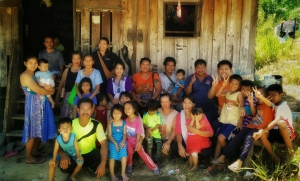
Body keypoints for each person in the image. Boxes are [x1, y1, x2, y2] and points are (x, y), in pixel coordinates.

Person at [213, 87, 275, 173]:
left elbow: (269, 104)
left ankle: (240, 161)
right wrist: (251, 102)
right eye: (256, 95)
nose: (257, 96)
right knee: (237, 138)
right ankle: (223, 157)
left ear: (267, 96)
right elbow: (253, 113)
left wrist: (261, 97)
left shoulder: (270, 105)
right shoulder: (258, 105)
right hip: (250, 126)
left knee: (248, 138)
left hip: (260, 129)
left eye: (260, 94)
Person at [59, 98, 108, 179]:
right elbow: (58, 143)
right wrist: (63, 155)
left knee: (101, 155)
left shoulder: (97, 124)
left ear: (92, 110)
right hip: (74, 156)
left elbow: (104, 143)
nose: (85, 112)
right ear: (78, 110)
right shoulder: (71, 124)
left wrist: (103, 164)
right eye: (82, 109)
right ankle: (73, 172)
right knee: (64, 167)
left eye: (88, 109)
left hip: (89, 155)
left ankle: (91, 169)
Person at [20, 56, 56, 164]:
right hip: (33, 106)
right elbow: (38, 90)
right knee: (32, 130)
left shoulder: (35, 75)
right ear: (25, 63)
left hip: (42, 104)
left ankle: (34, 151)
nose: (33, 65)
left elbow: (47, 88)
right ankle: (28, 157)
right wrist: (51, 92)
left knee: (38, 130)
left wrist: (50, 90)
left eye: (35, 62)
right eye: (30, 62)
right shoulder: (25, 75)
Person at [253, 84, 295, 165]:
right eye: (269, 95)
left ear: (281, 95)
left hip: (285, 133)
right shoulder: (273, 105)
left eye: (274, 95)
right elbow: (267, 104)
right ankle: (275, 158)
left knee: (281, 123)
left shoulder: (283, 106)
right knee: (263, 133)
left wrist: (263, 130)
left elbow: (276, 121)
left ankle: (290, 152)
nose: (271, 97)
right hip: (274, 132)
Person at [212, 74, 245, 164]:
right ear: (229, 83)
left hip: (233, 121)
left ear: (239, 86)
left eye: (236, 84)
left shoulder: (239, 94)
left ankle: (227, 157)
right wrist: (223, 86)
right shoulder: (227, 93)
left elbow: (242, 108)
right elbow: (217, 94)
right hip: (224, 120)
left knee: (221, 138)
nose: (233, 86)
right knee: (219, 141)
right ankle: (215, 162)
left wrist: (240, 121)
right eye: (232, 83)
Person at [175, 95, 213, 167]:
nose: (187, 105)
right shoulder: (180, 115)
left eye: (189, 103)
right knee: (176, 148)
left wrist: (196, 131)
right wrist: (180, 146)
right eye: (185, 103)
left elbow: (210, 133)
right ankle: (192, 162)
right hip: (188, 141)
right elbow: (178, 132)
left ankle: (200, 161)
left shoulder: (200, 115)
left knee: (204, 153)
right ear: (182, 104)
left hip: (200, 142)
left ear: (194, 104)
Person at [123, 101, 159, 175]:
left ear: (134, 109)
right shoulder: (125, 120)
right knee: (129, 152)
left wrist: (138, 142)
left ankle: (154, 166)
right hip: (129, 140)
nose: (127, 110)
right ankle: (129, 164)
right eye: (125, 109)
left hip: (137, 140)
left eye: (129, 108)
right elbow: (125, 132)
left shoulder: (138, 120)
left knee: (142, 154)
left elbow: (139, 132)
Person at [184, 59, 218, 126]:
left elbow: (213, 93)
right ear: (195, 68)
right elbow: (187, 93)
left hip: (208, 105)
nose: (200, 70)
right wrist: (191, 83)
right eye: (198, 67)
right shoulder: (190, 78)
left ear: (205, 68)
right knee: (196, 122)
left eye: (202, 67)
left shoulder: (210, 78)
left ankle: (209, 135)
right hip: (195, 106)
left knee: (212, 118)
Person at [207, 60, 232, 132]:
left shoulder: (234, 82)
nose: (223, 71)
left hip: (232, 111)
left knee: (217, 126)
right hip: (221, 110)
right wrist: (214, 86)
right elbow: (210, 96)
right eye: (221, 69)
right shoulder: (218, 83)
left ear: (231, 70)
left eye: (226, 69)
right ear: (217, 71)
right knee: (207, 119)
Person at [55, 51, 82, 118]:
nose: (76, 60)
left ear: (81, 59)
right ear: (71, 60)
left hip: (79, 97)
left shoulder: (83, 70)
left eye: (78, 58)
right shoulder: (67, 70)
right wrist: (57, 97)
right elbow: (61, 83)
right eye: (74, 58)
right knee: (66, 118)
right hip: (68, 98)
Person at [107, 104, 129, 181]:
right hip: (112, 141)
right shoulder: (110, 123)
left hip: (121, 140)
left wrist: (123, 142)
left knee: (123, 154)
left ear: (122, 113)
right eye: (114, 113)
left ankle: (123, 173)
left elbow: (124, 134)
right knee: (112, 156)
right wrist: (115, 144)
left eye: (118, 113)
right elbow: (109, 136)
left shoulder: (124, 123)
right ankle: (112, 175)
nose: (116, 115)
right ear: (112, 113)